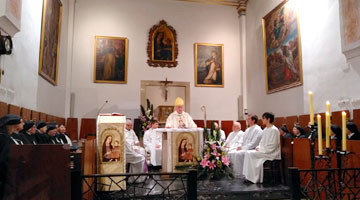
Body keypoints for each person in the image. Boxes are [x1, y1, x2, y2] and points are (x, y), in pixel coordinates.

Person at [243, 112, 281, 184]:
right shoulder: (265, 129)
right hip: (263, 151)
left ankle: (254, 178)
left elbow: (273, 145)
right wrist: (258, 147)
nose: (262, 120)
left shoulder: (274, 130)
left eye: (263, 118)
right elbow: (261, 142)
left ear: (268, 119)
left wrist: (261, 149)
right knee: (248, 153)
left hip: (271, 153)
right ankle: (249, 176)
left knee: (250, 154)